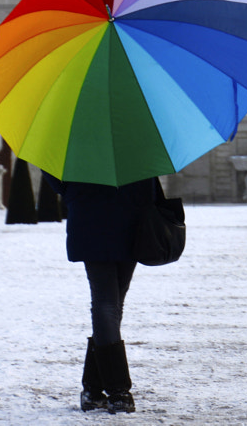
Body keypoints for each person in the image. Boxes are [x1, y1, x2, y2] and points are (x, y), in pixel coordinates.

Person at [43, 172, 160, 414]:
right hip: (130, 221)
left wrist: (74, 192)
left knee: (109, 305)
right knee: (110, 305)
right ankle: (117, 391)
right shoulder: (136, 147)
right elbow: (150, 182)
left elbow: (55, 178)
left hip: (91, 218)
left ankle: (93, 390)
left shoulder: (77, 148)